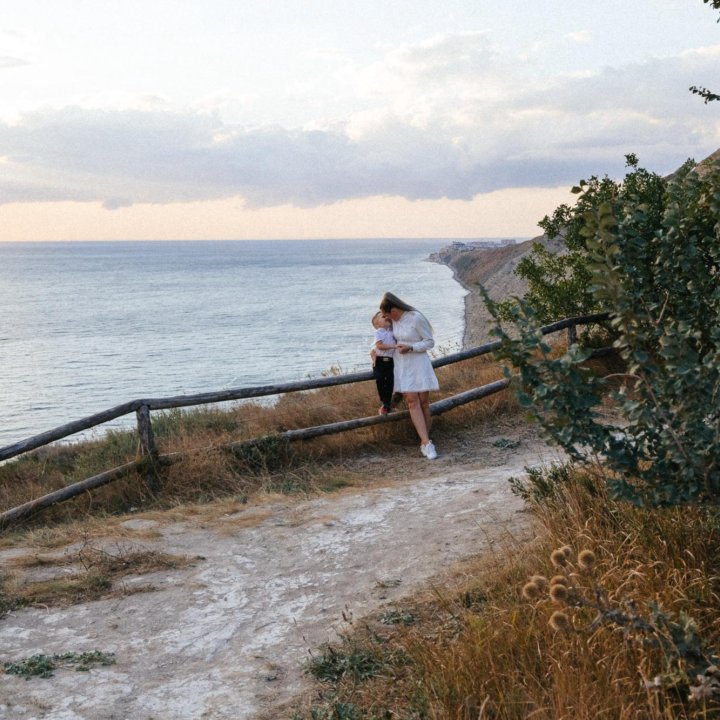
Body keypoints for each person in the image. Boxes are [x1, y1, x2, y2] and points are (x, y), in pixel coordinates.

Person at [378, 291, 439, 460]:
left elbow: (429, 342)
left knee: (424, 402)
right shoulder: (391, 321)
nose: (387, 318)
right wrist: (374, 353)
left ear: (395, 310)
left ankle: (425, 441)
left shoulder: (416, 317)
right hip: (403, 364)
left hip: (418, 362)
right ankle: (426, 443)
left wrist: (411, 347)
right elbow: (379, 332)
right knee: (412, 400)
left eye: (387, 314)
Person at [370, 311, 397, 415]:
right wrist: (394, 346)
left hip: (390, 361)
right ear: (377, 324)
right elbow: (379, 346)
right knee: (380, 380)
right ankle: (384, 401)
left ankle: (387, 404)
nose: (385, 317)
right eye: (382, 316)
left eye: (386, 315)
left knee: (390, 382)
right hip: (380, 360)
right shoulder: (378, 332)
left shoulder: (392, 330)